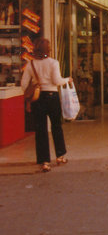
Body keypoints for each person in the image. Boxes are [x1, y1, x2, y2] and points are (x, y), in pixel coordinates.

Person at [21, 38, 72, 173]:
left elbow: (23, 84)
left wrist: (34, 87)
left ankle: (44, 162)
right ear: (48, 50)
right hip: (52, 97)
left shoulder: (30, 65)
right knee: (56, 126)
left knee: (41, 130)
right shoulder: (53, 63)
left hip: (38, 98)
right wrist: (67, 79)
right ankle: (60, 156)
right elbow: (56, 80)